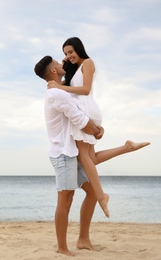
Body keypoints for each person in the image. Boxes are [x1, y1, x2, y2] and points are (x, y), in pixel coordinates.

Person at [34, 55, 150, 256]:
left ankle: (83, 239)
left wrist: (97, 128)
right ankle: (62, 247)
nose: (63, 64)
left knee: (91, 193)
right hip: (63, 154)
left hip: (73, 152)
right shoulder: (57, 94)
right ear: (53, 71)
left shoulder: (62, 91)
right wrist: (96, 131)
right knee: (65, 198)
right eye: (58, 63)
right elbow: (80, 119)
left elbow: (83, 113)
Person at [48, 37, 150, 218]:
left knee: (83, 156)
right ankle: (127, 147)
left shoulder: (88, 62)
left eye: (71, 51)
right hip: (84, 109)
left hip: (85, 108)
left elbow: (86, 89)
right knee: (91, 158)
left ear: (79, 49)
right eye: (65, 53)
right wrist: (63, 70)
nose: (68, 55)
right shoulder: (72, 71)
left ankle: (101, 195)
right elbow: (58, 86)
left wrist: (60, 87)